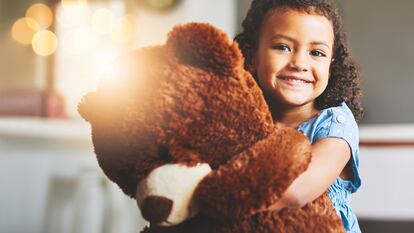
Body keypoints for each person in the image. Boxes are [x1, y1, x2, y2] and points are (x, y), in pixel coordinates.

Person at [234, 0, 363, 232]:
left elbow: (293, 191)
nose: (299, 63)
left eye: (316, 53)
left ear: (331, 66)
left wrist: (207, 197)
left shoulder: (335, 124)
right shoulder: (245, 119)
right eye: (283, 47)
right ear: (252, 55)